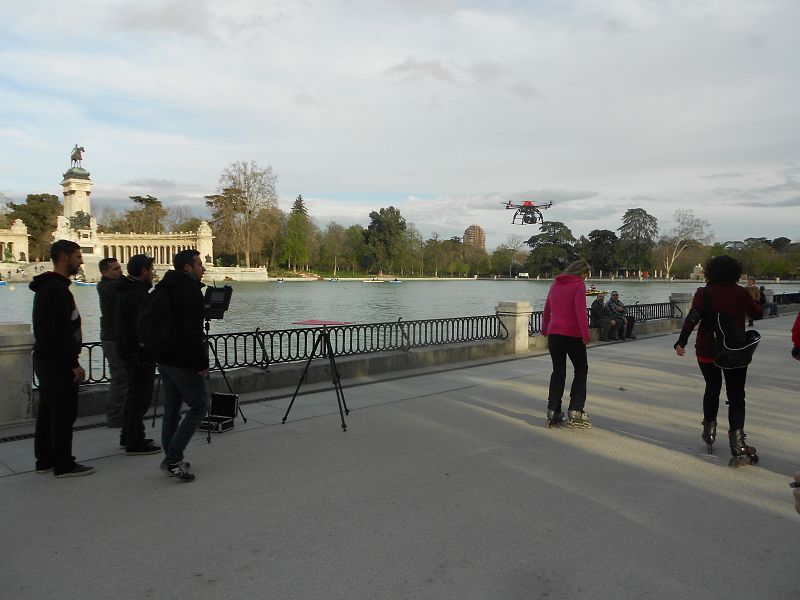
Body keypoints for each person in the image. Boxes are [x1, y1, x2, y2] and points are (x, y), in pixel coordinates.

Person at [674, 255, 762, 465]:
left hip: (707, 348)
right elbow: (757, 314)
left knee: (712, 388)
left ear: (710, 271)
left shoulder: (703, 293)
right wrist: (755, 300)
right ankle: (737, 442)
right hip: (735, 350)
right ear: (735, 272)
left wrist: (681, 342)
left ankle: (709, 430)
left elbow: (692, 318)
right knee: (736, 395)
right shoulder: (740, 293)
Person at [29, 240, 95, 478]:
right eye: (77, 256)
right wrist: (73, 364)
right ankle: (64, 464)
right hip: (58, 362)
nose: (81, 261)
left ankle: (45, 460)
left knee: (48, 411)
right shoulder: (57, 290)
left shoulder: (49, 288)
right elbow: (60, 332)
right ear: (64, 257)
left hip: (47, 359)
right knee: (63, 414)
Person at [153, 249, 209, 482]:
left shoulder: (164, 287)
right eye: (199, 265)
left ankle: (172, 456)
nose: (203, 268)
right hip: (183, 360)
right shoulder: (190, 291)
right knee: (198, 407)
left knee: (172, 407)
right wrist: (201, 364)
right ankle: (172, 458)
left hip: (164, 357)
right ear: (188, 267)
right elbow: (192, 333)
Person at [115, 254, 161, 456]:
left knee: (133, 395)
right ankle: (135, 440)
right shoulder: (137, 295)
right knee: (140, 398)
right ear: (144, 271)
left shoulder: (126, 290)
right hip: (139, 353)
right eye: (151, 269)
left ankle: (128, 435)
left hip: (129, 350)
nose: (152, 273)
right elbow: (142, 326)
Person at [541, 259, 592, 429]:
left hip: (554, 334)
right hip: (572, 334)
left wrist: (544, 329)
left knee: (558, 371)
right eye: (586, 275)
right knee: (581, 369)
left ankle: (553, 410)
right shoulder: (578, 286)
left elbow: (547, 308)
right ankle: (576, 409)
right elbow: (580, 312)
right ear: (581, 273)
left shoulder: (555, 283)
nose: (585, 279)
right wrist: (585, 334)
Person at [97, 257, 126, 430]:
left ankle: (120, 414)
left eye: (120, 268)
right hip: (112, 338)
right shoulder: (106, 286)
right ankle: (115, 416)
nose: (120, 271)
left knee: (123, 378)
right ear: (104, 272)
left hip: (117, 336)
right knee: (120, 378)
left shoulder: (117, 284)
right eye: (115, 269)